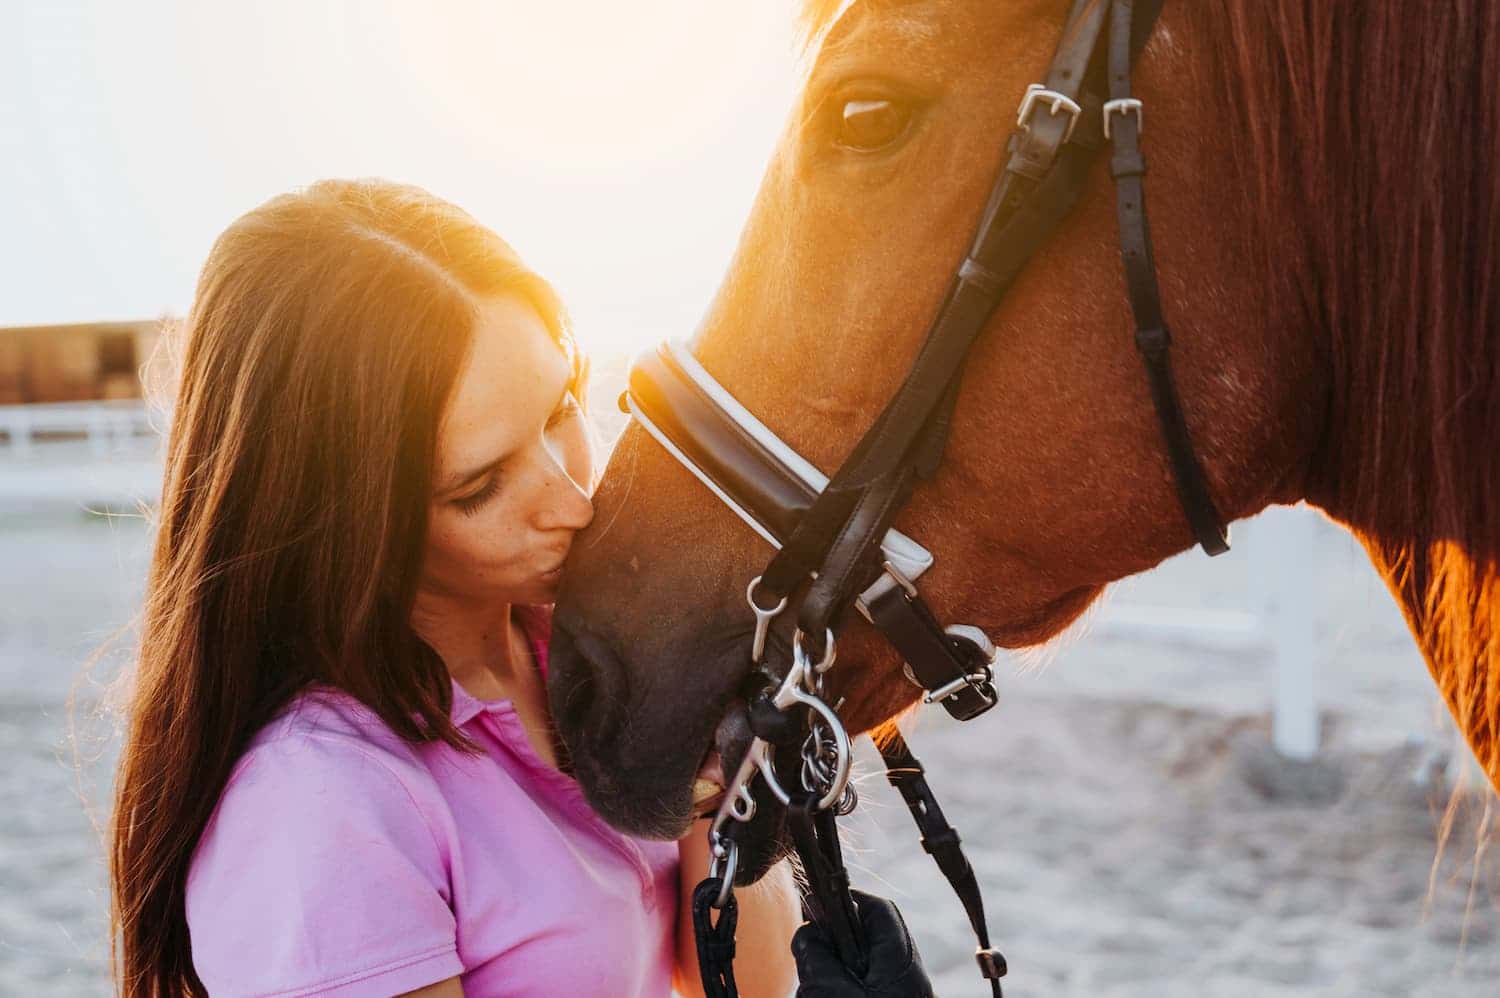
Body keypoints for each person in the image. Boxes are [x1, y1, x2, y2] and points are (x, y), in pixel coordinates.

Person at [108, 179, 801, 997]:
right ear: (341, 518)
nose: (574, 503)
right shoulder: (320, 805)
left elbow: (753, 984)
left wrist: (710, 733)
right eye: (479, 487)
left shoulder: (575, 645)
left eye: (561, 409)